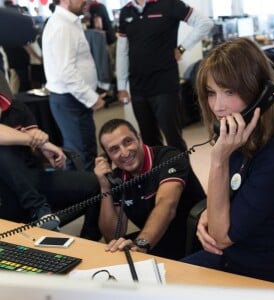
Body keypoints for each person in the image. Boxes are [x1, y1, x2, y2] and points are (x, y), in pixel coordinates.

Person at [181, 37, 274, 287]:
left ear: (262, 94)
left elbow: (221, 237)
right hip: (230, 259)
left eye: (229, 91)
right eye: (211, 93)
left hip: (264, 274)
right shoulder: (240, 137)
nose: (218, 107)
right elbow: (231, 199)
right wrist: (208, 213)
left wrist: (218, 160)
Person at [93, 118, 206, 260]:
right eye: (114, 149)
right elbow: (112, 235)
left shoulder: (169, 157)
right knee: (114, 253)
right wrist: (105, 187)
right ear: (107, 157)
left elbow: (166, 204)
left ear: (139, 138)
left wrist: (140, 245)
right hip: (155, 242)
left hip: (196, 239)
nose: (125, 153)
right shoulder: (117, 178)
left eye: (128, 142)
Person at [0, 89, 102, 240]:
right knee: (4, 152)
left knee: (97, 183)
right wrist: (40, 143)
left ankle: (89, 240)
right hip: (4, 194)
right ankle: (38, 208)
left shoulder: (16, 107)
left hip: (33, 179)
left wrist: (42, 146)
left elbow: (36, 137)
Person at [116, 0, 213, 152]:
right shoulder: (125, 11)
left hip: (165, 84)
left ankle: (182, 175)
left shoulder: (169, 4)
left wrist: (182, 48)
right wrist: (121, 86)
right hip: (138, 87)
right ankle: (158, 175)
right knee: (149, 141)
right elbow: (122, 51)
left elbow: (205, 23)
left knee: (173, 138)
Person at [42, 0, 106, 171]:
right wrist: (91, 98)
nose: (87, 1)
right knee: (81, 157)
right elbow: (67, 72)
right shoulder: (62, 26)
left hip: (73, 99)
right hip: (71, 100)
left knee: (83, 153)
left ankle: (90, 195)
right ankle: (88, 197)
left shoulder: (68, 22)